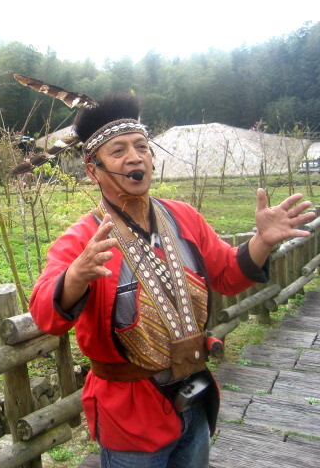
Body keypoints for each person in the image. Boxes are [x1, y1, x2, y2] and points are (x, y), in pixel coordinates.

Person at [28, 93, 316, 468]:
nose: (135, 157)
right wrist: (76, 275)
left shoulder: (183, 217)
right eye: (118, 151)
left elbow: (228, 274)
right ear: (93, 169)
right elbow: (44, 315)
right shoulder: (82, 239)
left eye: (142, 147)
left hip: (193, 397)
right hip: (131, 417)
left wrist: (262, 241)